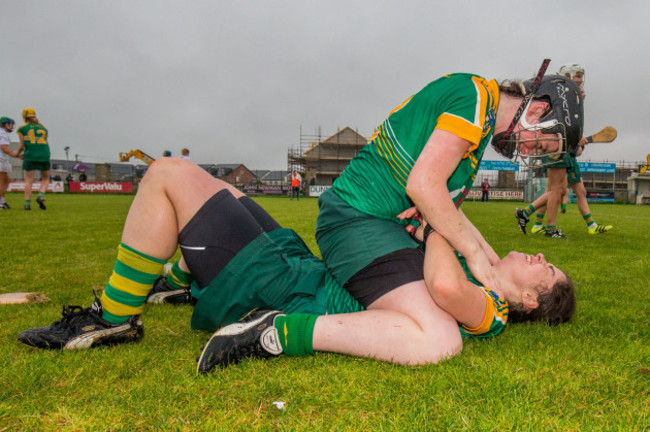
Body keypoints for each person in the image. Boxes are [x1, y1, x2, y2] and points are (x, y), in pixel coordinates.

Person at [191, 67, 582, 371]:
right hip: (359, 215)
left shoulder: (478, 109)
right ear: (538, 109)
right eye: (543, 142)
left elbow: (447, 220)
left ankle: (244, 313)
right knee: (439, 341)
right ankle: (274, 330)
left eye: (546, 271)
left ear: (529, 301)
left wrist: (438, 223)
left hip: (363, 220)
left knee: (439, 339)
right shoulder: (478, 101)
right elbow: (426, 188)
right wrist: (443, 224)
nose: (532, 151)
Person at [18, 159, 574, 371]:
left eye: (547, 274)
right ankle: (184, 281)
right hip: (301, 268)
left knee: (167, 176)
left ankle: (114, 316)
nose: (542, 258)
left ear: (529, 302)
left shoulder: (491, 306)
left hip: (284, 289)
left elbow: (444, 285)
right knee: (223, 194)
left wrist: (432, 231)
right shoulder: (480, 262)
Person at [515, 64, 612, 237]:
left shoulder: (570, 97)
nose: (579, 80)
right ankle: (546, 226)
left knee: (561, 190)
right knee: (556, 191)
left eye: (580, 76)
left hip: (562, 146)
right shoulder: (559, 95)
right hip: (555, 144)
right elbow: (557, 121)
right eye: (575, 76)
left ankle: (536, 221)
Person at [16, 108, 50, 211]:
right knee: (45, 179)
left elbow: (22, 145)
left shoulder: (22, 128)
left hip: (30, 155)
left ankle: (27, 205)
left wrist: (18, 154)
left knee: (28, 180)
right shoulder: (43, 128)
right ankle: (40, 196)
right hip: (44, 155)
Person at [1, 117, 20, 209]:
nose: (12, 127)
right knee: (2, 181)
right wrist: (16, 154)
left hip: (3, 159)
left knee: (6, 180)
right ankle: (1, 203)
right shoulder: (2, 134)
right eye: (10, 124)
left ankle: (2, 201)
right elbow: (4, 148)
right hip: (1, 160)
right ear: (6, 124)